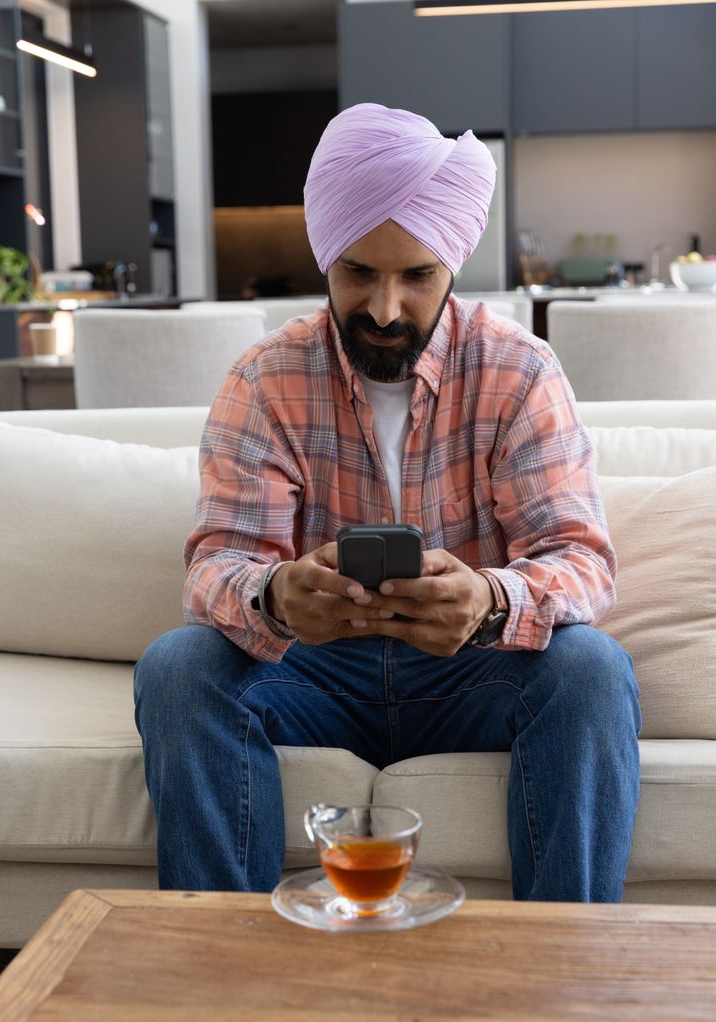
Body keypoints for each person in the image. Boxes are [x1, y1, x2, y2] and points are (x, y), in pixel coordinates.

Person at [134, 103, 641, 902]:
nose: (383, 309)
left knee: (593, 671)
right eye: (360, 273)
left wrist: (489, 601)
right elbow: (214, 564)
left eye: (417, 277)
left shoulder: (519, 372)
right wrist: (272, 594)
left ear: (454, 264)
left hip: (471, 674)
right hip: (312, 675)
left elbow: (582, 561)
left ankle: (565, 967)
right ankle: (220, 973)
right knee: (178, 666)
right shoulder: (266, 379)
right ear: (326, 259)